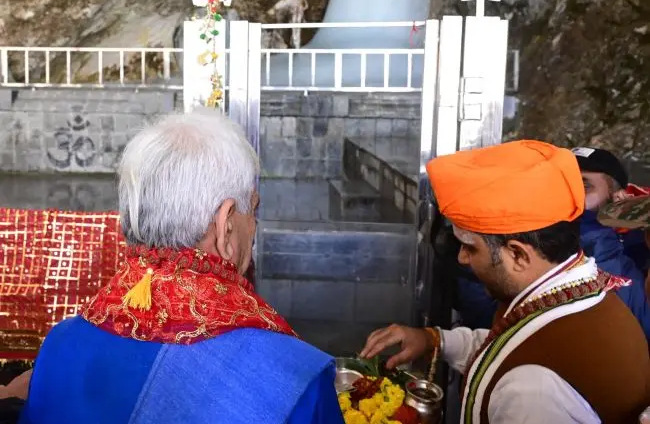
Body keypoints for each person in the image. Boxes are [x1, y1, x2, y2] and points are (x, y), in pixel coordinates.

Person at [19, 109, 343, 424]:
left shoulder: (59, 346)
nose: (254, 226)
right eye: (253, 210)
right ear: (225, 224)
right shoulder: (291, 381)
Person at [361, 140, 650, 424]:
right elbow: (508, 343)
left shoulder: (531, 395)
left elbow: (519, 361)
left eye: (471, 247)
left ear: (518, 255)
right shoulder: (578, 291)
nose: (462, 257)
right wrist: (435, 340)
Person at [456, 146, 650, 342]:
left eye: (583, 186)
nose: (566, 194)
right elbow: (489, 324)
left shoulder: (630, 273)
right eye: (560, 184)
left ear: (618, 199)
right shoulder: (519, 243)